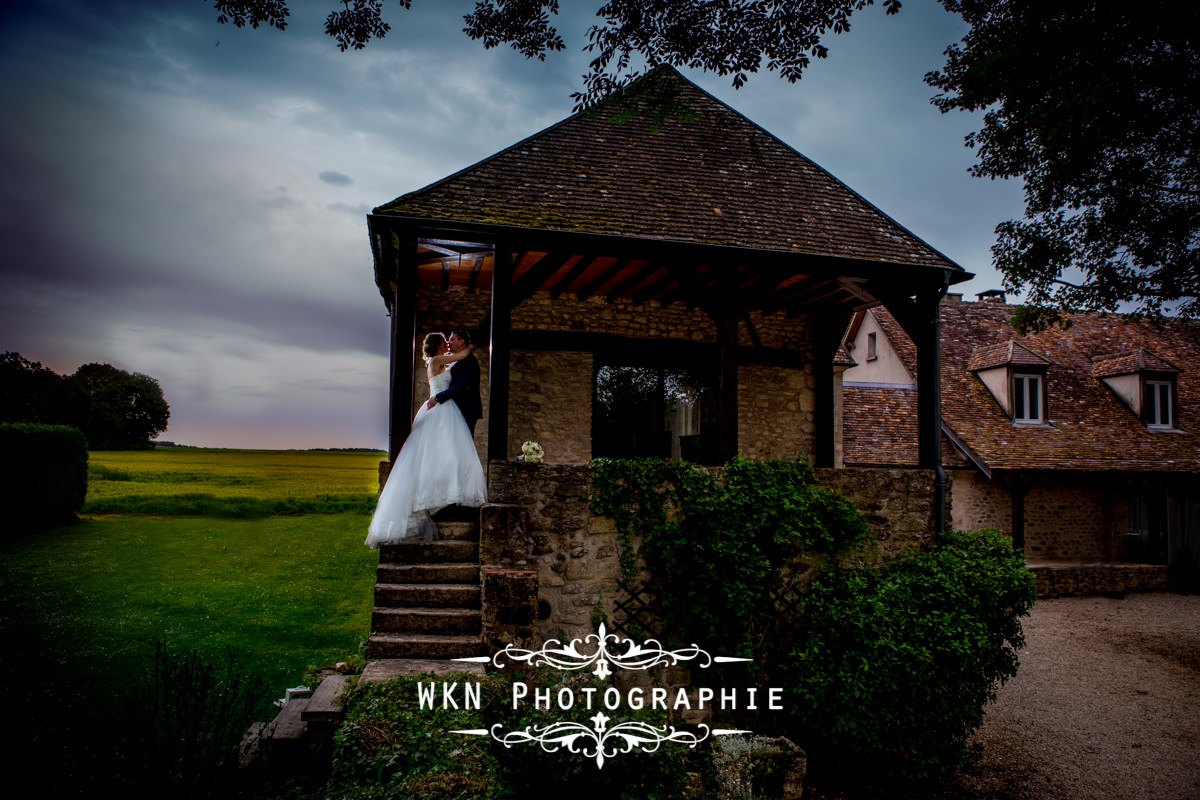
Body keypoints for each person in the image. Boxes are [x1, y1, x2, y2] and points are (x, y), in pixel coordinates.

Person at [365, 332, 487, 547]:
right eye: (446, 340)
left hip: (446, 407)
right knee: (443, 453)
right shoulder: (439, 360)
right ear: (439, 346)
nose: (448, 343)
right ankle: (443, 497)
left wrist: (467, 350)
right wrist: (469, 349)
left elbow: (461, 375)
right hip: (442, 408)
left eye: (452, 339)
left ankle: (448, 495)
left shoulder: (440, 361)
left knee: (446, 454)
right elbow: (461, 357)